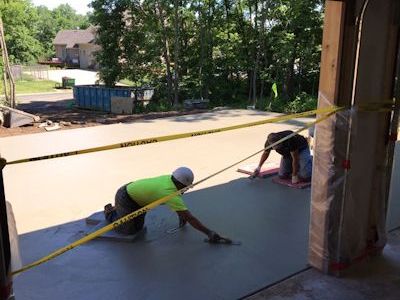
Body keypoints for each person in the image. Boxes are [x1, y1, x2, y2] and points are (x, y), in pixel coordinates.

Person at [104, 167, 222, 242]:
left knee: (138, 227)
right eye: (187, 187)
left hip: (137, 198)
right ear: (181, 185)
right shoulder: (169, 192)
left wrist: (181, 215)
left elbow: (180, 209)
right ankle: (110, 212)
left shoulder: (171, 180)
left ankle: (120, 210)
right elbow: (189, 217)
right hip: (126, 197)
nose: (187, 190)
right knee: (128, 231)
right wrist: (209, 233)